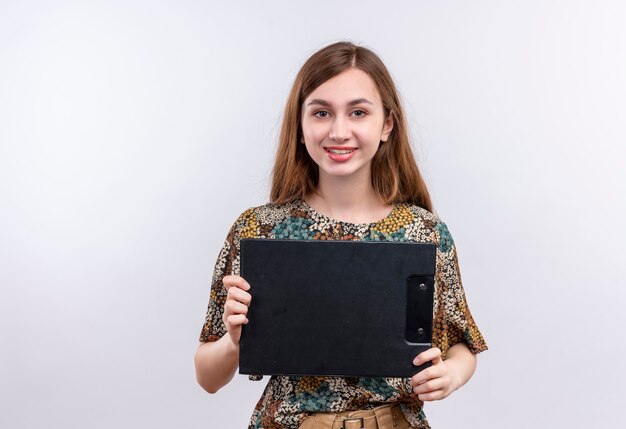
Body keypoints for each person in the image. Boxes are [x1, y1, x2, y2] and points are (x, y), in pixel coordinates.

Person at [194, 41, 487, 429]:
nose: (339, 131)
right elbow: (207, 377)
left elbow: (462, 344)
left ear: (386, 125)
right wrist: (234, 340)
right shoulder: (259, 230)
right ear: (300, 126)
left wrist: (452, 375)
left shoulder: (425, 233)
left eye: (358, 112)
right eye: (321, 113)